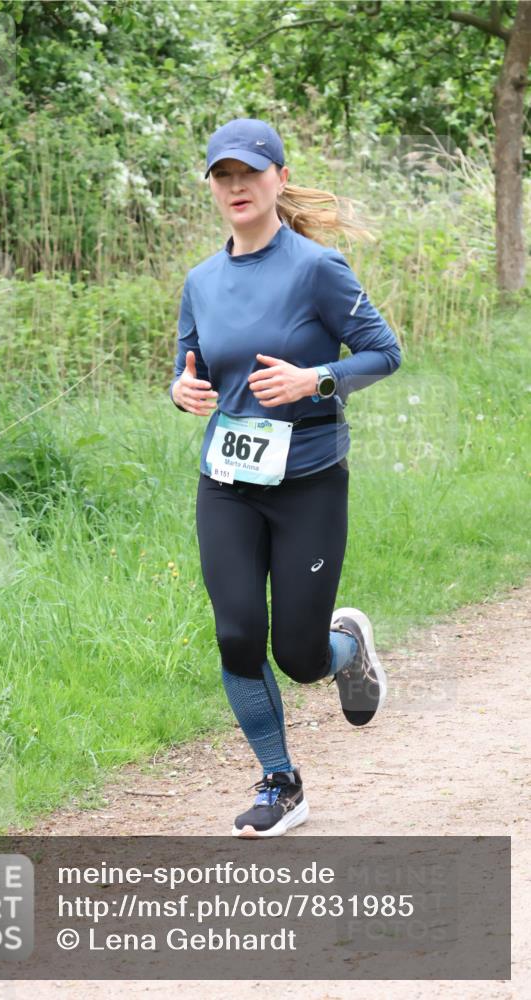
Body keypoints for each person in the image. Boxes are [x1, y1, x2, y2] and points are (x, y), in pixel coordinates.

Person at [170, 118, 402, 838]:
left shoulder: (314, 267)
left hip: (306, 482)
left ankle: (345, 650)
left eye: (249, 173)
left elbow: (382, 352)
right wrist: (183, 393)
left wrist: (316, 378)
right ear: (211, 186)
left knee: (298, 658)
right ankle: (280, 782)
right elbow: (190, 369)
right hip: (227, 484)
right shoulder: (201, 281)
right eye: (222, 175)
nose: (235, 186)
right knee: (238, 633)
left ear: (277, 177)